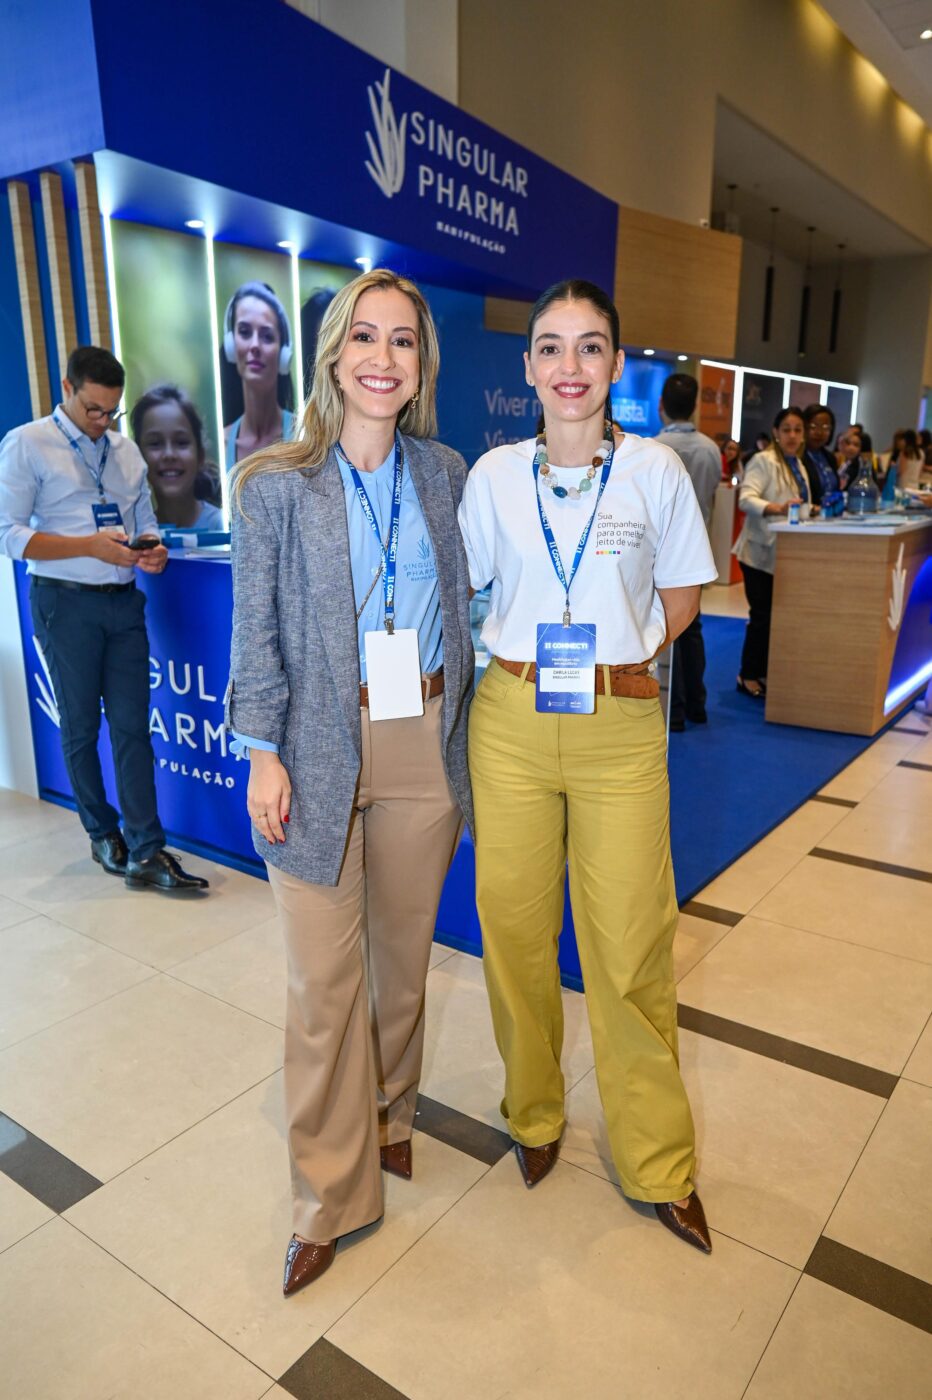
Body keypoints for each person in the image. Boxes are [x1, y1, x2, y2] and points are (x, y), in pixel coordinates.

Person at [226, 269, 474, 1297]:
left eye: (402, 341)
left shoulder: (447, 473)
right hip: (315, 746)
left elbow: (472, 606)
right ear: (332, 355)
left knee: (402, 964)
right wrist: (263, 750)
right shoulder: (274, 482)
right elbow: (257, 632)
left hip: (421, 731)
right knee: (323, 988)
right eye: (362, 337)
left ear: (421, 363)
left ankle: (392, 1115)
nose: (381, 357)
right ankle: (328, 1195)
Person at [458, 279, 717, 1255]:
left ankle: (656, 1160)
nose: (570, 368)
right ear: (526, 366)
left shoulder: (652, 470)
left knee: (628, 942)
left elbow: (683, 591)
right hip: (511, 716)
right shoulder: (491, 475)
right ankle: (531, 1112)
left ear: (614, 363)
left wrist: (632, 652)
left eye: (590, 347)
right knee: (515, 928)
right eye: (551, 348)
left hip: (617, 720)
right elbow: (468, 583)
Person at [0, 346, 208, 892]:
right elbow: (9, 534)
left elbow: (145, 519)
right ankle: (101, 832)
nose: (102, 421)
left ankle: (146, 849)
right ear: (66, 388)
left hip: (123, 600)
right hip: (63, 600)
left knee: (133, 728)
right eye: (93, 409)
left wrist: (153, 550)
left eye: (111, 412)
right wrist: (87, 547)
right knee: (81, 725)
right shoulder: (27, 444)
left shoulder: (127, 452)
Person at [655, 372, 721, 731]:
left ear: (661, 405)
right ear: (695, 405)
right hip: (697, 551)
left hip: (660, 556)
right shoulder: (711, 449)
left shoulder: (651, 449)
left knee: (668, 631)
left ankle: (675, 710)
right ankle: (697, 703)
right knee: (691, 628)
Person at [734, 406, 813, 698]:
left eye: (798, 430)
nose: (793, 435)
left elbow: (798, 502)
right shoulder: (764, 460)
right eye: (787, 429)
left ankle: (764, 671)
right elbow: (746, 499)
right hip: (758, 553)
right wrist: (775, 508)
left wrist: (809, 510)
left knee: (774, 617)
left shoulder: (797, 464)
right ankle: (747, 675)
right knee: (762, 616)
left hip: (785, 553)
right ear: (776, 433)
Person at [222, 281, 296, 469]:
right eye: (245, 332)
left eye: (267, 336)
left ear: (283, 353)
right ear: (231, 344)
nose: (254, 345)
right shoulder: (220, 445)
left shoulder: (307, 436)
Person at [131, 384, 225, 530]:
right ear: (138, 456)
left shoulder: (226, 527)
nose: (169, 455)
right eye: (155, 443)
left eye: (181, 442)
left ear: (200, 455)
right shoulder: (135, 533)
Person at [802, 403, 838, 504]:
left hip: (831, 515)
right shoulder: (797, 456)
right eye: (813, 426)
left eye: (825, 427)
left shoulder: (830, 458)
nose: (819, 432)